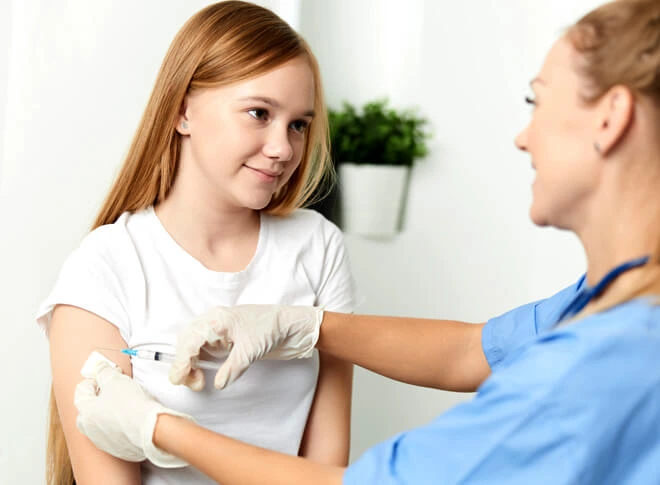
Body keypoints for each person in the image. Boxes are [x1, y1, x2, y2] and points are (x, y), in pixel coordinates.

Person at [75, 0, 660, 483]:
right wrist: (308, 326)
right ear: (182, 112)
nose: (521, 137)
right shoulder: (607, 309)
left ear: (609, 119)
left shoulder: (599, 358)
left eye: (537, 101)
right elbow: (477, 350)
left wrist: (157, 427)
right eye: (258, 113)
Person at [37, 2, 357, 484]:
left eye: (298, 124)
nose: (284, 148)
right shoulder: (106, 267)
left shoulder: (318, 248)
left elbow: (328, 472)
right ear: (184, 110)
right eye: (259, 113)